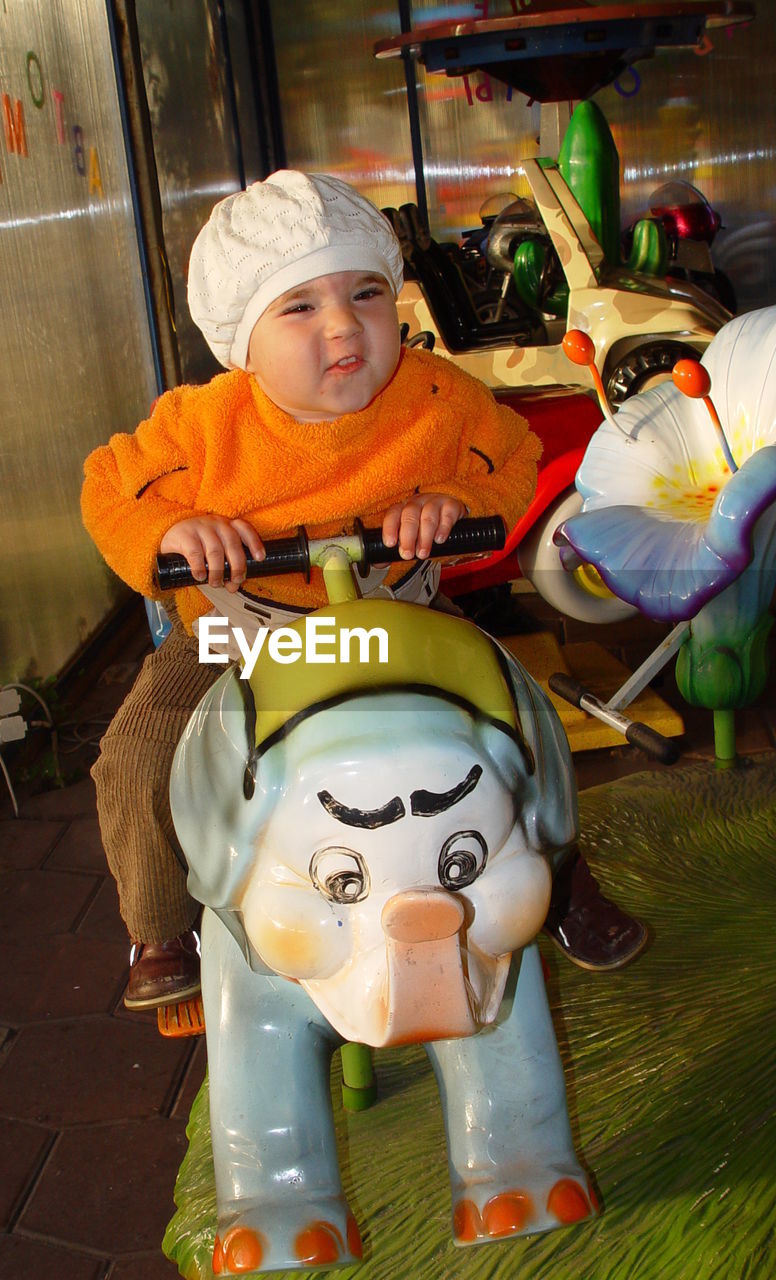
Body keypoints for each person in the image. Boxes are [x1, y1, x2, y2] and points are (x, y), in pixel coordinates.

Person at [81, 170, 647, 1011]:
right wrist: (171, 531)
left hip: (401, 612)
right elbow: (110, 489)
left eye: (366, 292)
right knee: (138, 750)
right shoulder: (201, 426)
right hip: (238, 635)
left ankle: (563, 876)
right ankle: (161, 928)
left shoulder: (436, 396)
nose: (344, 325)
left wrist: (457, 502)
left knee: (524, 712)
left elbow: (511, 459)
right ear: (242, 337)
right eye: (300, 307)